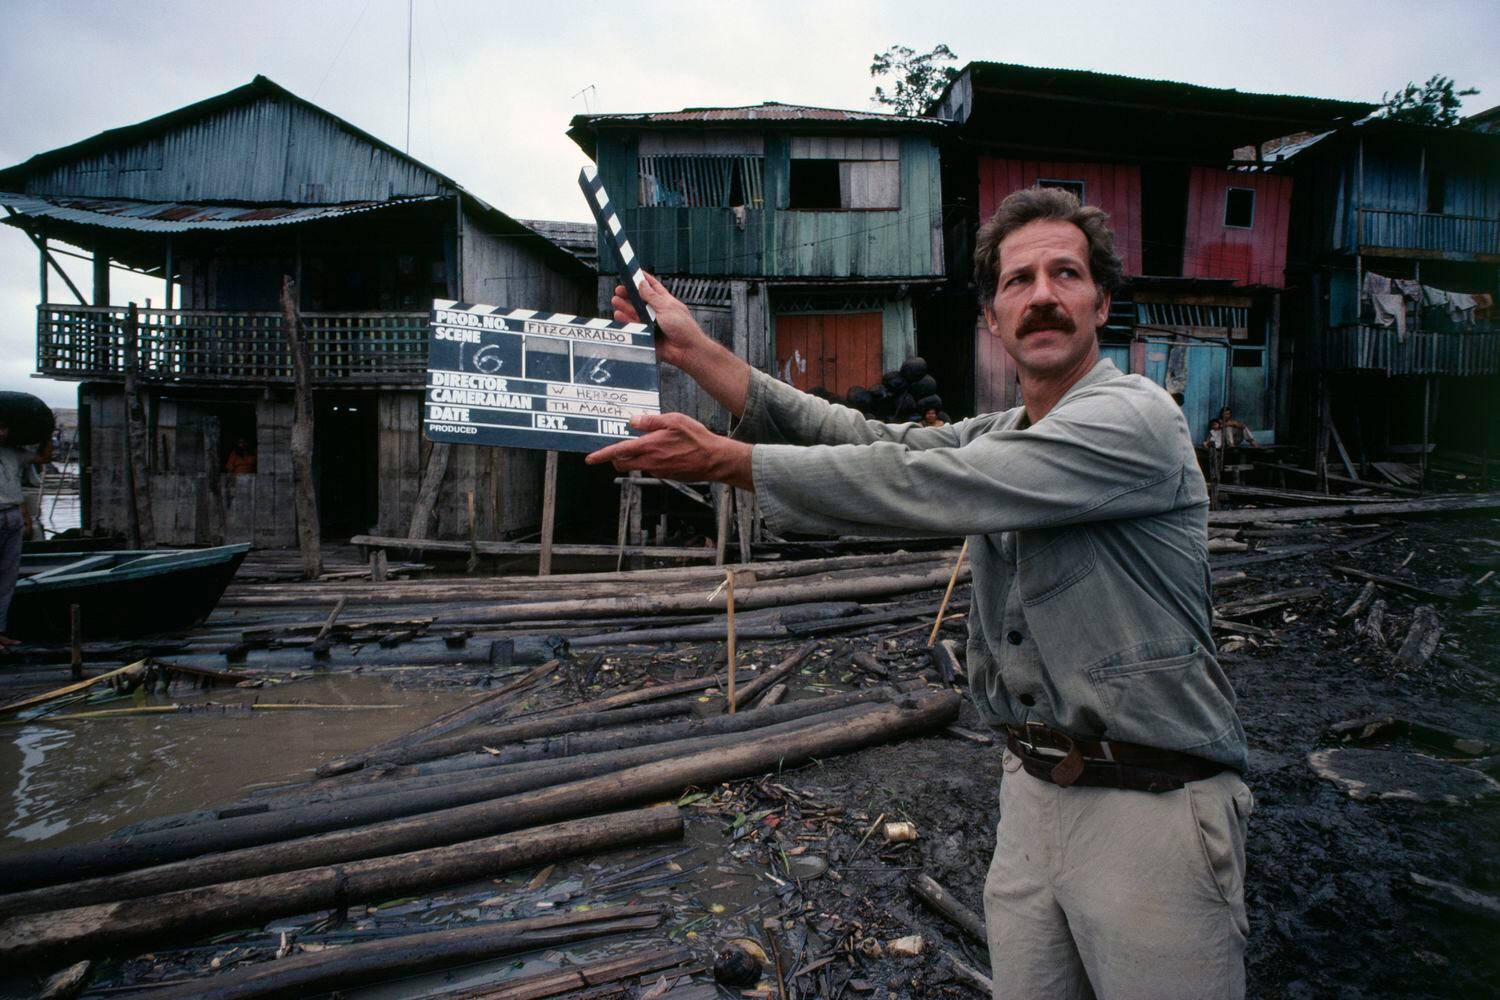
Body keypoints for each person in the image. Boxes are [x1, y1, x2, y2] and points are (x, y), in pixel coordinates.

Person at [587, 186, 1250, 999]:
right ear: (994, 318)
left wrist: (733, 462)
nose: (1042, 295)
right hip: (1035, 792)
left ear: (1101, 301)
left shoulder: (1133, 420)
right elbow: (868, 438)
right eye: (1018, 281)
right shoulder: (1009, 430)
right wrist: (696, 353)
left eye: (1065, 274)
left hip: (1154, 807)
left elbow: (923, 477)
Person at [0, 420, 51, 647]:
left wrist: (47, 434)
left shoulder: (13, 453)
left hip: (11, 515)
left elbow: (42, 458)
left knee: (7, 578)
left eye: (4, 427)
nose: (2, 432)